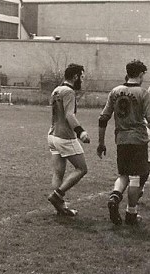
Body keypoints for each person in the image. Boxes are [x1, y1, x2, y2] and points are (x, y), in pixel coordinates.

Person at [97, 60, 150, 225]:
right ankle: (131, 214)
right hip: (138, 140)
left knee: (123, 175)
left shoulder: (115, 91)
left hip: (121, 140)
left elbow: (103, 118)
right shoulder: (143, 93)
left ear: (127, 73)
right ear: (141, 75)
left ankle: (115, 196)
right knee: (135, 178)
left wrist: (101, 143)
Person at [46, 63, 90, 216]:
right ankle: (57, 195)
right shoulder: (69, 92)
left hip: (52, 135)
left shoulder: (56, 90)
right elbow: (69, 115)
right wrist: (81, 132)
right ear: (75, 76)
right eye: (82, 77)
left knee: (58, 173)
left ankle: (61, 207)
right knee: (82, 169)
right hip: (65, 136)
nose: (82, 81)